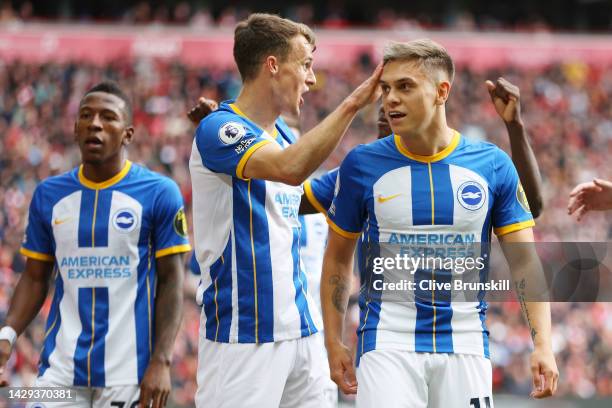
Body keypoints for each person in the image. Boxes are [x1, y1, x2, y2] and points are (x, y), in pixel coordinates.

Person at [321, 39, 558, 407]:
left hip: (465, 344)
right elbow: (337, 258)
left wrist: (543, 343)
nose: (390, 99)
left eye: (405, 86)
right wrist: (333, 340)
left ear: (441, 91)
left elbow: (524, 260)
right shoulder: (360, 165)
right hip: (386, 344)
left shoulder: (491, 165)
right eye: (386, 88)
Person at [189, 13, 381, 407]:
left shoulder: (281, 137)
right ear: (272, 66)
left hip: (301, 330)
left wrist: (378, 158)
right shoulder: (219, 129)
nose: (312, 78)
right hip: (244, 335)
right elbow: (290, 170)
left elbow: (309, 193)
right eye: (306, 65)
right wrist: (354, 103)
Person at [0, 82, 191, 408]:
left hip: (128, 376)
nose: (96, 124)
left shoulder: (159, 192)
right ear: (75, 130)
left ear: (128, 133)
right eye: (86, 116)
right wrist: (7, 335)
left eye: (108, 117)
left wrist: (161, 361)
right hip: (60, 373)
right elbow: (34, 278)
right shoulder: (49, 195)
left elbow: (172, 281)